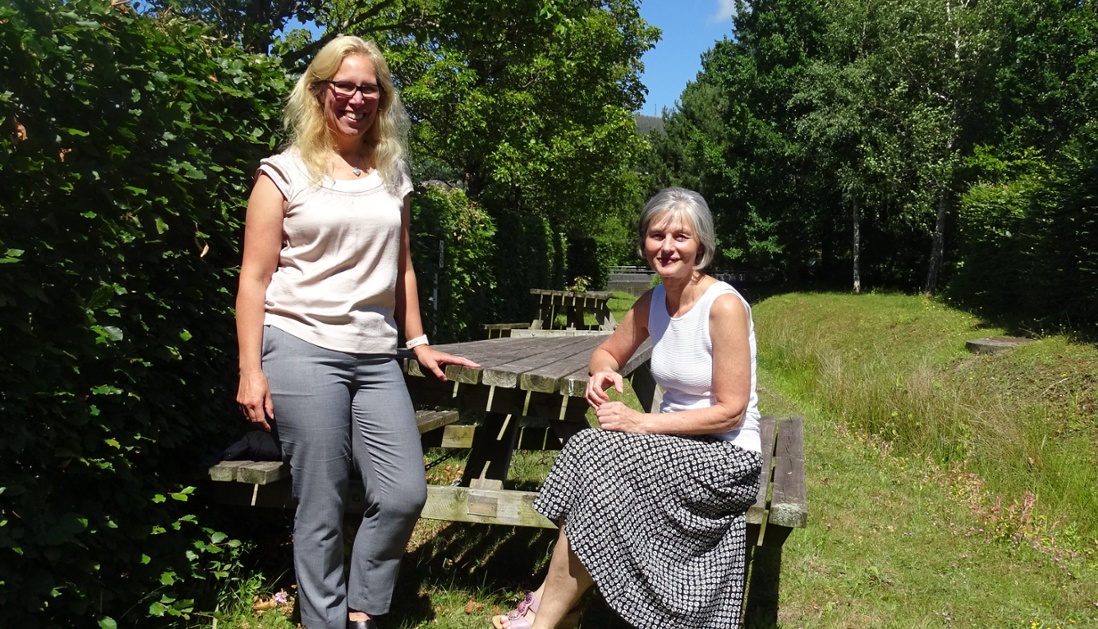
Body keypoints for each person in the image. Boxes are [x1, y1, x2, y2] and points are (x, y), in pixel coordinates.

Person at [234, 35, 477, 629]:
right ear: (319, 92)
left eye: (369, 87)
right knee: (320, 504)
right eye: (344, 85)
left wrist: (417, 342)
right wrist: (250, 369)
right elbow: (254, 278)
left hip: (375, 352)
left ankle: (363, 608)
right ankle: (324, 621)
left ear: (382, 98)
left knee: (402, 494)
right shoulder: (282, 174)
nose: (356, 98)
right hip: (299, 346)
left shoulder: (392, 172)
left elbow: (404, 266)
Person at [491, 187, 764, 629]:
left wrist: (642, 422)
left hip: (726, 456)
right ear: (644, 243)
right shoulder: (654, 301)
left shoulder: (724, 306)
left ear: (702, 245)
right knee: (592, 456)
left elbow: (731, 412)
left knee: (597, 458)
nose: (668, 247)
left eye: (681, 236)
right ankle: (555, 610)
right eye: (657, 235)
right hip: (674, 445)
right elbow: (607, 352)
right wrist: (602, 371)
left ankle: (547, 612)